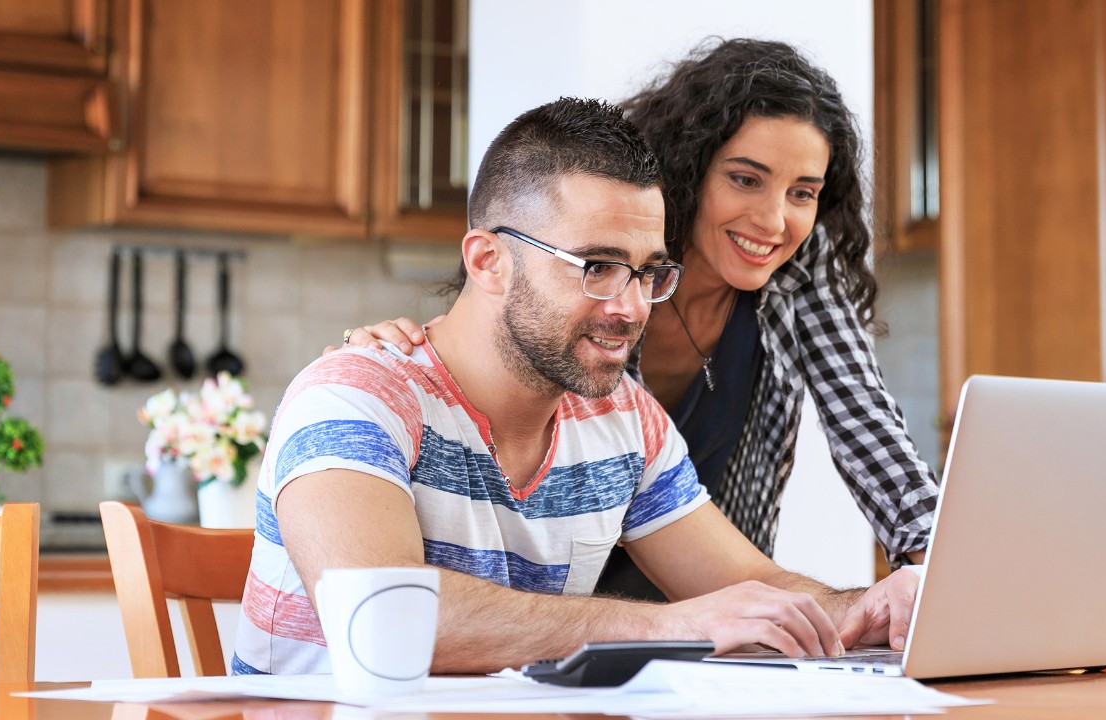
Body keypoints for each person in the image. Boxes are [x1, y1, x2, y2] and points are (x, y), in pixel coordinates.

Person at [237, 97, 917, 677]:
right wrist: (670, 626)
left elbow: (754, 587)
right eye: (596, 265)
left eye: (649, 272)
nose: (630, 307)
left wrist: (866, 608)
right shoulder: (356, 395)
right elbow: (378, 612)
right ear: (488, 259)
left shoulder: (621, 419)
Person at [340, 38, 940, 600]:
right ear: (691, 169)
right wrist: (386, 368)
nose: (774, 220)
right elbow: (502, 334)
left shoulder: (798, 278)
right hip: (569, 617)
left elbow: (870, 432)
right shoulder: (605, 286)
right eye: (745, 179)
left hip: (711, 604)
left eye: (803, 192)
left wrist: (935, 574)